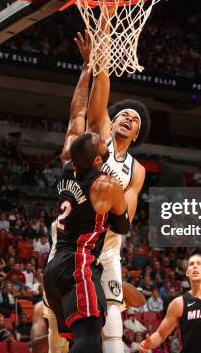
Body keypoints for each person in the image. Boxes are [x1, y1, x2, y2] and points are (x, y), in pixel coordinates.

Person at [83, 32, 150, 353]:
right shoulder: (101, 135)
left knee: (113, 316)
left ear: (137, 134)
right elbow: (102, 87)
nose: (127, 118)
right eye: (123, 114)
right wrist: (102, 49)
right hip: (76, 236)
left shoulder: (137, 170)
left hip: (107, 246)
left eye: (134, 119)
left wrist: (111, 200)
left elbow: (126, 218)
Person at [43, 132, 130, 353]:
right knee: (90, 338)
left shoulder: (67, 170)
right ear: (98, 161)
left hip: (54, 269)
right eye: (101, 143)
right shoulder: (104, 185)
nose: (104, 139)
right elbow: (122, 227)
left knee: (79, 340)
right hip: (78, 265)